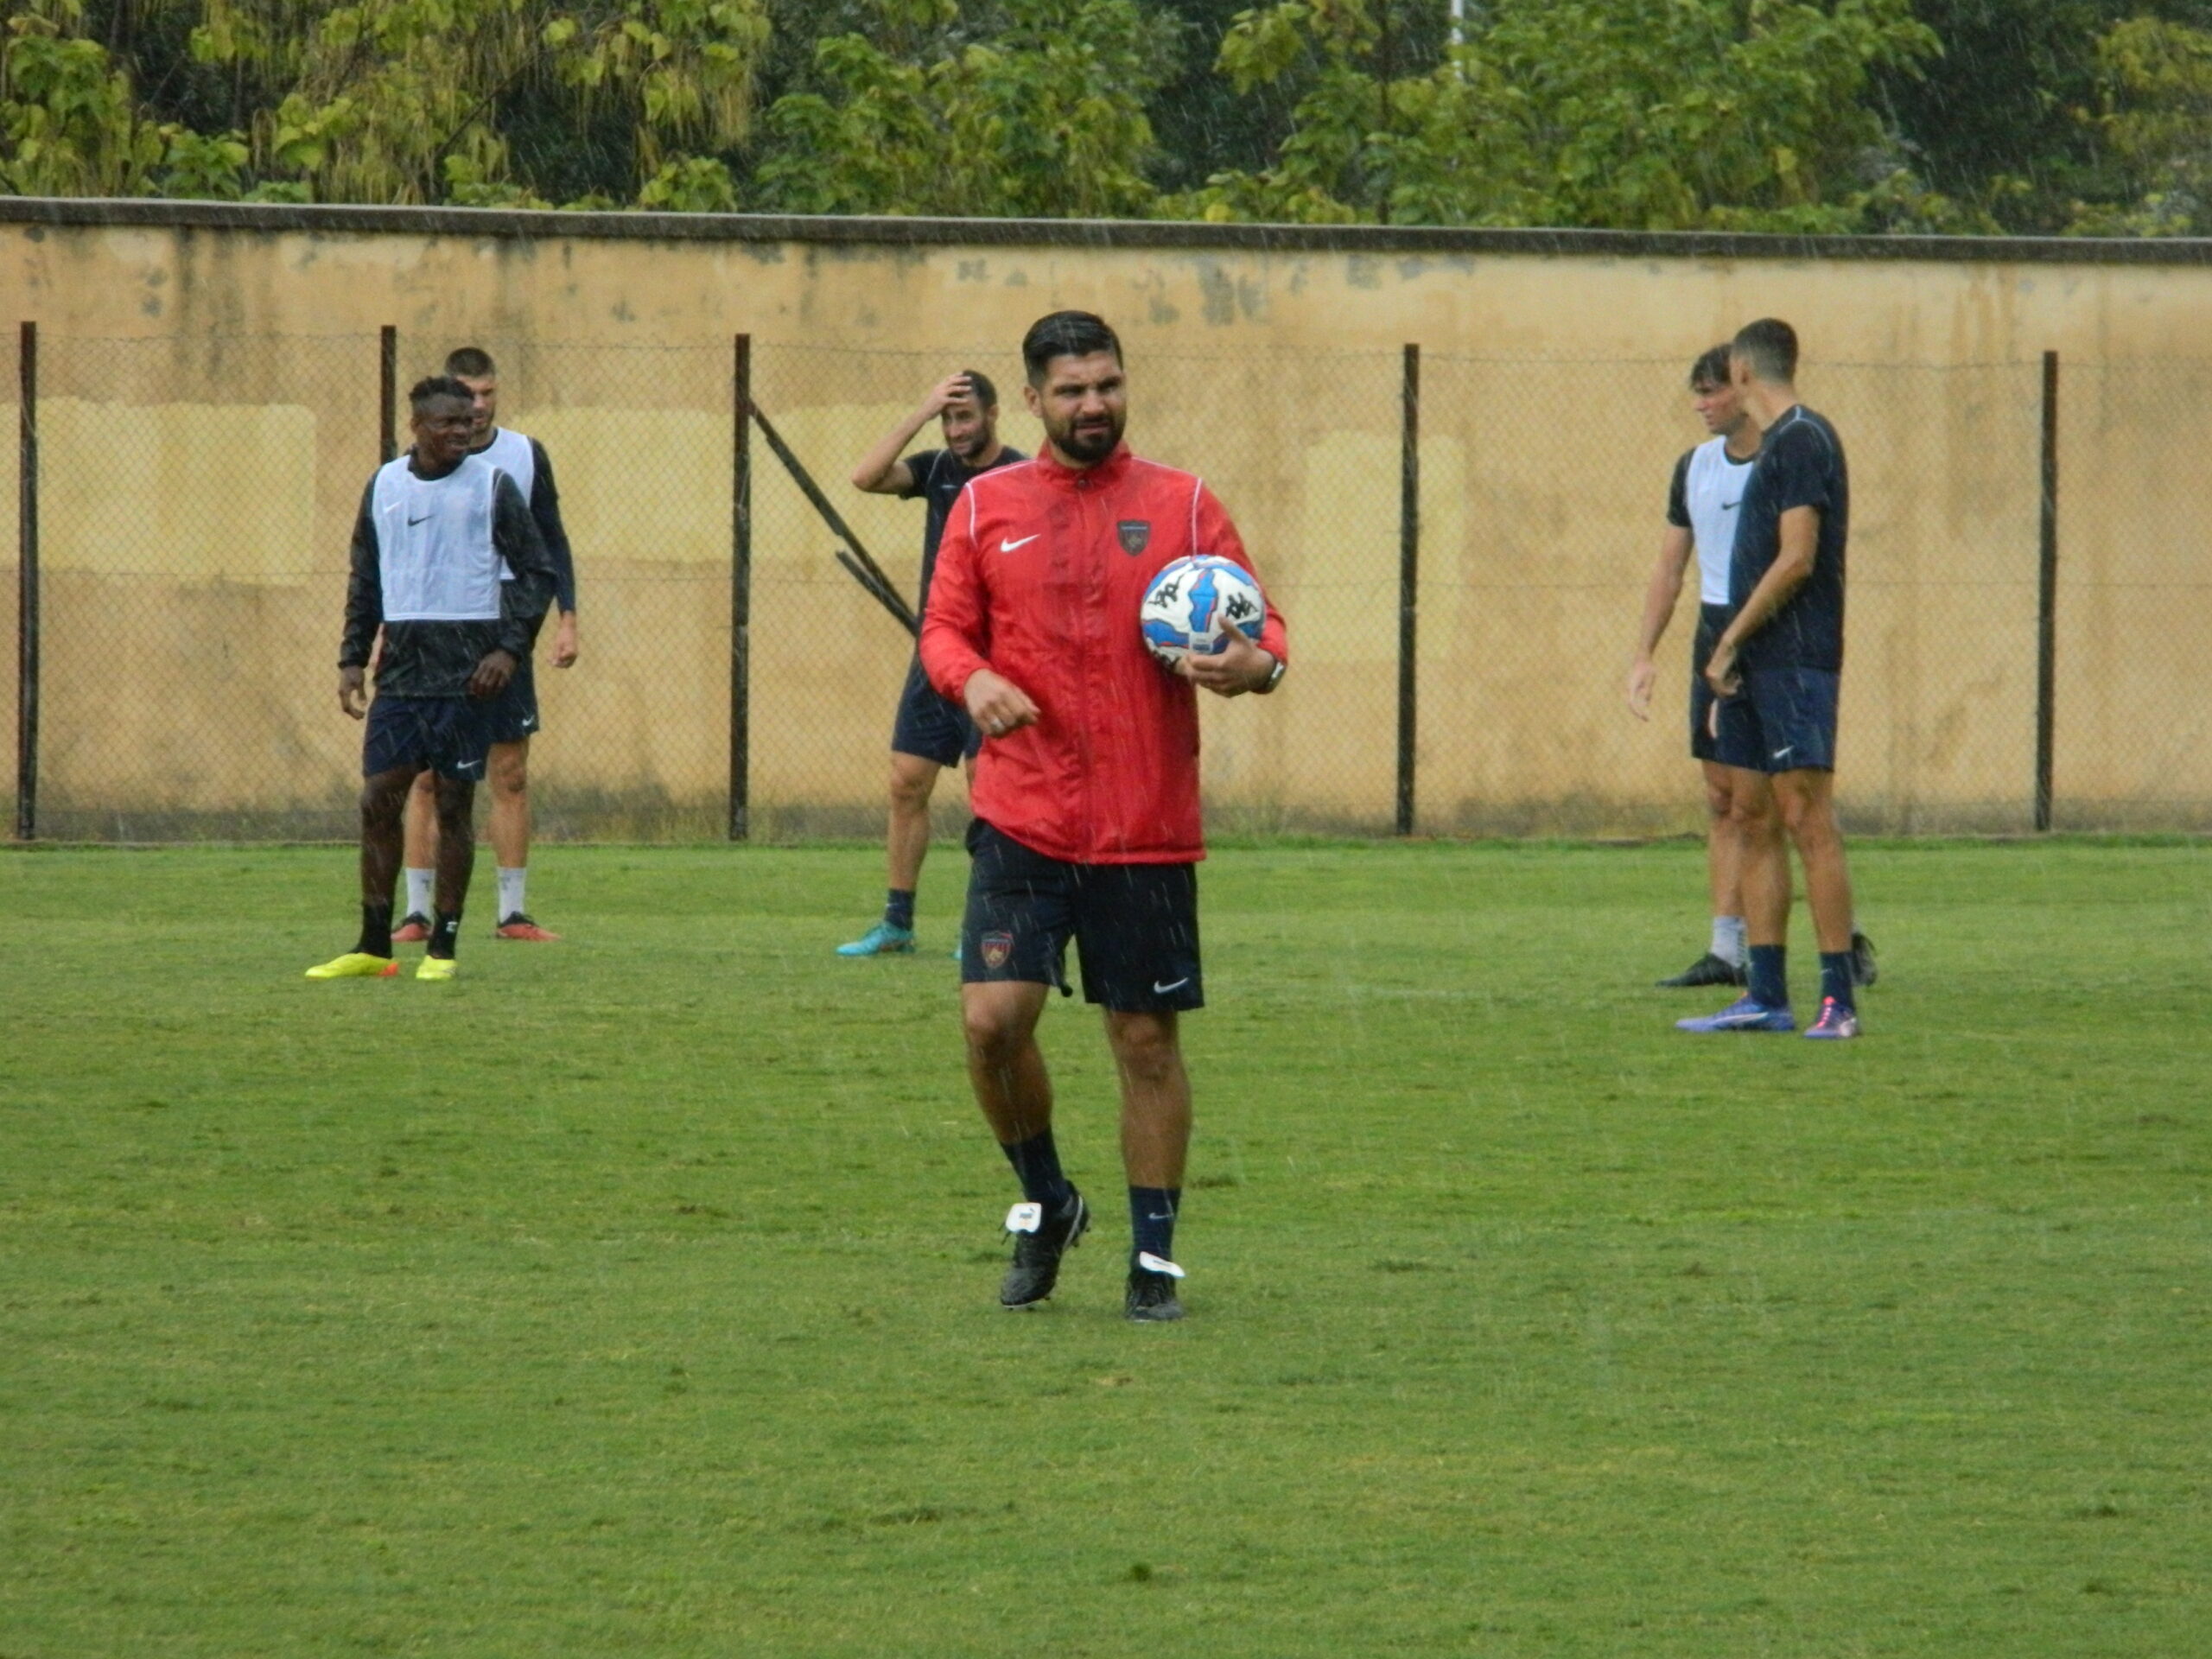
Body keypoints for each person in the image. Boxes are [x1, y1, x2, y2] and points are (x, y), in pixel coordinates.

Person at [919, 310, 1289, 1322]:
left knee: (1143, 1042)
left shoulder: (1183, 504)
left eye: (1108, 386)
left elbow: (1263, 627)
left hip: (1144, 824)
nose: (1094, 406)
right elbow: (943, 629)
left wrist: (1256, 665)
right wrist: (975, 678)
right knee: (991, 1021)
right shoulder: (986, 504)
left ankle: (1154, 1261)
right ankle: (1046, 1197)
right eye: (1073, 390)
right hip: (1023, 813)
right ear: (1031, 400)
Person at [308, 377, 556, 982]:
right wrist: (351, 658)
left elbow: (537, 571)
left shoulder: (492, 486)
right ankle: (373, 945)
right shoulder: (386, 485)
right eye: (448, 424)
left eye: (469, 423)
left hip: (468, 674)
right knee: (377, 802)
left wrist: (508, 650)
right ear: (417, 427)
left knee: (453, 803)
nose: (463, 432)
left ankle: (441, 948)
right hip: (402, 671)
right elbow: (365, 577)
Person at [1681, 319, 1865, 1039]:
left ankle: (1837, 1000)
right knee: (1752, 817)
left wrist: (1730, 637)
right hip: (1755, 659)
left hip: (1794, 657)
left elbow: (1797, 559)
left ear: (1745, 373)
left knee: (1806, 819)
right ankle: (1764, 994)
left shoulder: (1804, 439)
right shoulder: (1773, 447)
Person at [392, 346, 579, 945]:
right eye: (466, 396)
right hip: (435, 626)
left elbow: (551, 542)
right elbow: (399, 555)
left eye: (486, 395)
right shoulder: (417, 465)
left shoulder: (524, 456)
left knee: (510, 770)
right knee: (424, 774)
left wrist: (567, 618)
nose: (476, 408)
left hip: (504, 623)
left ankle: (512, 914)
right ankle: (417, 913)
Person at [837, 370, 1027, 957]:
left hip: (994, 661)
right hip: (936, 652)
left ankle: (987, 923)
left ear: (994, 414)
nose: (955, 429)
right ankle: (897, 923)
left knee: (987, 790)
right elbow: (866, 477)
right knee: (906, 783)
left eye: (964, 417)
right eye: (947, 419)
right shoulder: (938, 468)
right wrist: (919, 413)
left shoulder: (1021, 476)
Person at [1629, 345, 1761, 989]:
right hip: (1714, 628)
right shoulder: (1695, 468)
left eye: (1711, 391)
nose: (1700, 404)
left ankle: (1836, 936)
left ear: (1745, 386)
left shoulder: (1785, 458)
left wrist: (1744, 643)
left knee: (1782, 801)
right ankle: (1727, 949)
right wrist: (1644, 655)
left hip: (1769, 631)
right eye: (1697, 392)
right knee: (1722, 798)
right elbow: (1670, 567)